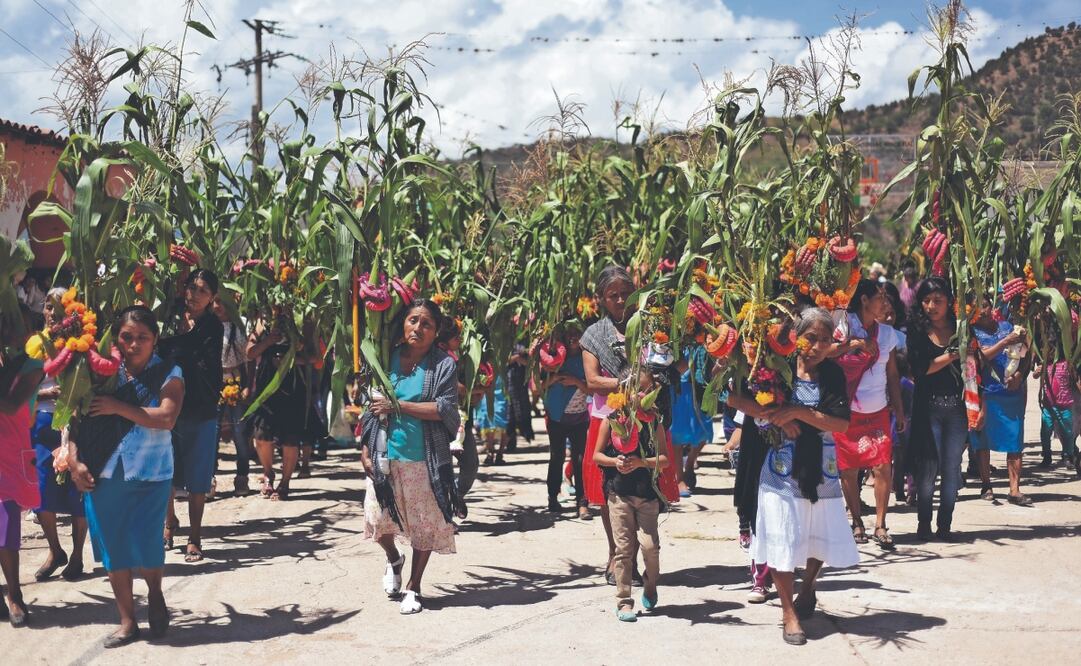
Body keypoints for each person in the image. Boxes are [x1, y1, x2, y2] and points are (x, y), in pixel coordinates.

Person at [730, 307, 858, 645]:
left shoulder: (832, 374)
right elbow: (732, 395)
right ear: (795, 335)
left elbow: (841, 423)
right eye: (810, 337)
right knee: (781, 534)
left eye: (824, 340)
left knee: (820, 532)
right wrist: (772, 415)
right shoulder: (775, 365)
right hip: (777, 469)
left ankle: (808, 585)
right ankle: (788, 612)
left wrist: (800, 412)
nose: (816, 346)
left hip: (821, 469)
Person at [67, 306, 184, 647]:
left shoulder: (169, 373)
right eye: (127, 337)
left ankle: (155, 593)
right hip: (104, 469)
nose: (134, 344)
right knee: (114, 546)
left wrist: (119, 407)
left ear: (155, 340)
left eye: (142, 338)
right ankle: (128, 620)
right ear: (116, 337)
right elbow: (75, 420)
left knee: (147, 543)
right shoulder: (98, 371)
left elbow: (166, 417)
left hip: (151, 470)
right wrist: (74, 460)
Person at [360, 300, 466, 615]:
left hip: (424, 459)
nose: (417, 328)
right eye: (412, 320)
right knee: (378, 520)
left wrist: (399, 406)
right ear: (403, 324)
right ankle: (394, 559)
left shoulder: (443, 365)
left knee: (424, 524)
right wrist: (365, 446)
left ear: (436, 333)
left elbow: (446, 410)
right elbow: (371, 406)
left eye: (426, 324)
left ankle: (414, 586)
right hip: (385, 455)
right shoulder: (384, 356)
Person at [592, 368, 670, 622]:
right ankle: (624, 600)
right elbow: (597, 455)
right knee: (623, 549)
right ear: (624, 391)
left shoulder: (654, 421)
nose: (642, 394)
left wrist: (641, 462)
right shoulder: (612, 418)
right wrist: (616, 463)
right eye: (637, 389)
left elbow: (665, 459)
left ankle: (650, 582)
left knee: (650, 547)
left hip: (647, 493)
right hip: (619, 492)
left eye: (647, 389)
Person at [831, 279, 904, 549]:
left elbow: (893, 374)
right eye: (880, 297)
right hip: (847, 411)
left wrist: (899, 408)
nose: (885, 303)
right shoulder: (843, 324)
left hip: (878, 411)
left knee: (883, 466)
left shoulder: (888, 334)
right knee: (848, 469)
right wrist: (856, 344)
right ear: (864, 300)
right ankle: (857, 521)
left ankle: (881, 524)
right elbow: (825, 353)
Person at [158, 269, 224, 563]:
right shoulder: (169, 316)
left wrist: (174, 349)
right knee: (165, 471)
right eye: (191, 288)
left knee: (198, 474)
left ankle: (195, 537)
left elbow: (194, 353)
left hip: (201, 406)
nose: (194, 295)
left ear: (212, 298)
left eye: (202, 291)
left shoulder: (212, 326)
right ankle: (168, 522)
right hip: (167, 405)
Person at [581, 266, 639, 585]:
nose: (619, 299)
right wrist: (629, 380)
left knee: (640, 492)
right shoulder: (594, 335)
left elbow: (663, 366)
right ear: (602, 299)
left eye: (625, 293)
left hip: (643, 418)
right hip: (608, 421)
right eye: (612, 295)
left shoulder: (646, 327)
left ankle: (632, 559)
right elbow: (592, 381)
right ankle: (615, 554)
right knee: (611, 493)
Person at [31, 289, 88, 581]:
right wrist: (46, 393)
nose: (53, 312)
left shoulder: (81, 342)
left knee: (77, 491)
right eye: (48, 306)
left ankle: (77, 555)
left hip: (75, 423)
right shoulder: (33, 344)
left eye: (59, 307)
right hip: (42, 425)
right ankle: (55, 549)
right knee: (40, 493)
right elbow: (21, 388)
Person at [907, 278, 967, 541]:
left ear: (949, 302)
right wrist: (953, 355)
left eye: (938, 301)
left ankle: (945, 523)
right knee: (928, 469)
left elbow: (974, 366)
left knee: (952, 467)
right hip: (927, 406)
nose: (931, 306)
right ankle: (924, 522)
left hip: (957, 407)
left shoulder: (961, 328)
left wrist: (981, 404)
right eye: (926, 300)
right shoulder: (917, 330)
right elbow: (921, 370)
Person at [0, 306, 44, 627]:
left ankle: (14, 593)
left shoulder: (31, 366)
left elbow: (15, 404)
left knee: (7, 524)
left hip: (11, 451)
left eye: (16, 324)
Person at [246, 312, 314, 501]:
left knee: (290, 441)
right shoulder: (262, 320)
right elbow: (250, 353)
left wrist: (291, 359)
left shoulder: (304, 319)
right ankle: (268, 473)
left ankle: (285, 483)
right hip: (266, 387)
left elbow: (316, 359)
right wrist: (267, 341)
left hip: (293, 389)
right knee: (261, 437)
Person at [969, 300, 1032, 505]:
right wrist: (1005, 342)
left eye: (986, 305)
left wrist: (1020, 375)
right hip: (985, 394)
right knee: (983, 441)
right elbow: (980, 357)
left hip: (1011, 394)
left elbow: (1026, 353)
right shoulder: (972, 333)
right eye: (978, 307)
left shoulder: (1007, 327)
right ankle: (987, 484)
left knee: (1015, 440)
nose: (983, 311)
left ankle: (1014, 489)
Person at [542, 325, 590, 518]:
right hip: (556, 417)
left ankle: (582, 502)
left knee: (580, 460)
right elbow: (539, 386)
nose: (573, 337)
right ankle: (552, 498)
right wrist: (555, 378)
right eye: (569, 334)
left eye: (577, 333)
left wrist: (576, 382)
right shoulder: (553, 358)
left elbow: (593, 388)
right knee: (557, 457)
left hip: (579, 417)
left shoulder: (588, 358)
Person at [212, 298, 253, 495]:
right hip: (214, 385)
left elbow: (248, 359)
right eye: (214, 302)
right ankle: (209, 479)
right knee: (213, 432)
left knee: (240, 432)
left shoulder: (239, 326)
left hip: (236, 383)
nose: (216, 306)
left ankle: (242, 477)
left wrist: (247, 386)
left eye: (220, 302)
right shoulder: (209, 326)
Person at [669, 343, 714, 497]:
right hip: (679, 388)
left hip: (701, 387)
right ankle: (679, 478)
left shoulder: (702, 338)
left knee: (704, 431)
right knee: (678, 434)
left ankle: (689, 464)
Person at [1036, 357, 1078, 474]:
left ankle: (1067, 455)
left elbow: (1075, 379)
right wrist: (1038, 371)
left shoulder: (1067, 363)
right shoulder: (1045, 363)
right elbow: (1035, 375)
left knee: (1068, 432)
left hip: (1065, 404)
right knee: (1045, 431)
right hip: (1048, 405)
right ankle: (1047, 455)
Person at [475, 373, 509, 465]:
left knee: (504, 422)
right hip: (487, 385)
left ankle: (500, 454)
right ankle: (490, 453)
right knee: (488, 420)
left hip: (503, 386)